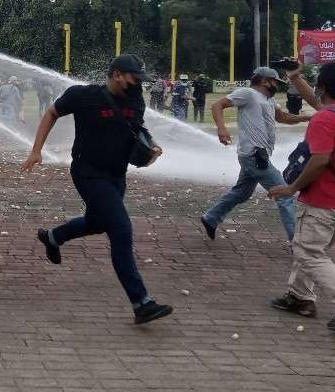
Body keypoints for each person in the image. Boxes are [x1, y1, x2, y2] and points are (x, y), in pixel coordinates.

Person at [22, 54, 172, 325]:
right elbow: (51, 113)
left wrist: (151, 147)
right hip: (88, 172)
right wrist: (36, 151)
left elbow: (135, 130)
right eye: (133, 77)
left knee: (98, 222)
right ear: (116, 74)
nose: (138, 83)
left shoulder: (136, 99)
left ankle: (54, 237)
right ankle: (141, 303)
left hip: (117, 174)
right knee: (121, 229)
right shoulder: (83, 96)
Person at [268, 61, 335, 331]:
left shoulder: (324, 119)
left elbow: (319, 160)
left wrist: (291, 187)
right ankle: (300, 298)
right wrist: (296, 78)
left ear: (323, 87)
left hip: (323, 201)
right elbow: (318, 102)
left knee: (308, 252)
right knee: (311, 249)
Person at [200, 67, 309, 241]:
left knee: (242, 192)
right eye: (275, 82)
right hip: (254, 155)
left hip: (259, 155)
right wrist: (221, 129)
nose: (277, 86)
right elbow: (217, 105)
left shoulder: (270, 100)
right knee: (284, 194)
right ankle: (296, 242)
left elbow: (283, 118)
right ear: (264, 81)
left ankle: (211, 218)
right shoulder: (248, 93)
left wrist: (306, 118)